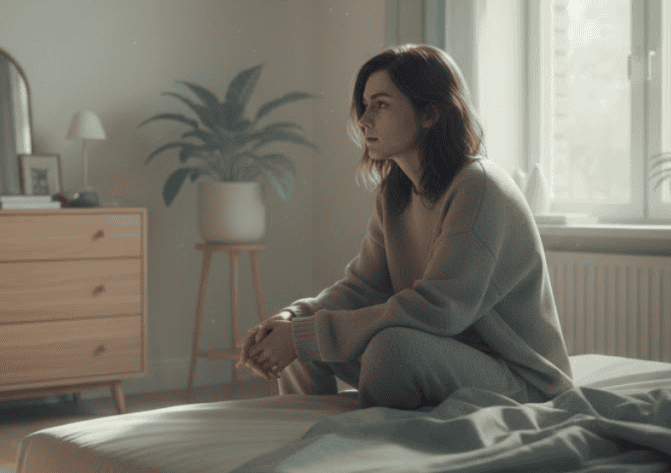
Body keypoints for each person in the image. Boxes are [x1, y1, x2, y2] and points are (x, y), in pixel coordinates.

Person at [235, 44, 574, 410]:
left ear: (429, 114)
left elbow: (438, 309)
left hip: (522, 381)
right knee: (303, 340)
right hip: (445, 357)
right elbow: (362, 288)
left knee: (390, 349)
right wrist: (292, 319)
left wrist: (308, 333)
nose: (364, 120)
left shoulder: (479, 186)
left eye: (381, 104)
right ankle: (316, 437)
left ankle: (380, 444)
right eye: (365, 106)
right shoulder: (395, 193)